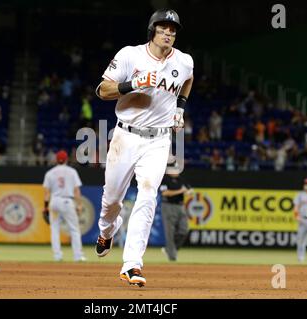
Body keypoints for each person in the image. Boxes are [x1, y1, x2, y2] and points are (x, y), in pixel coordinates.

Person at [94, 8, 194, 287]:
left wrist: (180, 109)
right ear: (153, 30)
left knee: (148, 195)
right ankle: (106, 230)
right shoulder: (130, 55)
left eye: (173, 29)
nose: (169, 33)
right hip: (126, 135)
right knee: (111, 200)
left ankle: (132, 264)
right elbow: (102, 90)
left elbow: (188, 80)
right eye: (163, 28)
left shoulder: (184, 61)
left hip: (159, 140)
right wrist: (132, 83)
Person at [42, 150, 86, 262]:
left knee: (54, 229)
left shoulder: (50, 173)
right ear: (66, 159)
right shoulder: (72, 172)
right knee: (74, 229)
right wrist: (79, 204)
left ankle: (57, 256)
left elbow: (47, 192)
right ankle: (78, 256)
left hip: (54, 201)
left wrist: (45, 206)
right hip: (67, 201)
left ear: (56, 160)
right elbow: (76, 190)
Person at [159, 160, 192, 261]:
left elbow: (189, 190)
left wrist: (189, 192)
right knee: (170, 232)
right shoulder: (165, 179)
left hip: (180, 206)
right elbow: (164, 193)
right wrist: (181, 191)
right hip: (168, 206)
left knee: (184, 229)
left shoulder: (181, 179)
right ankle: (172, 258)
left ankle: (169, 249)